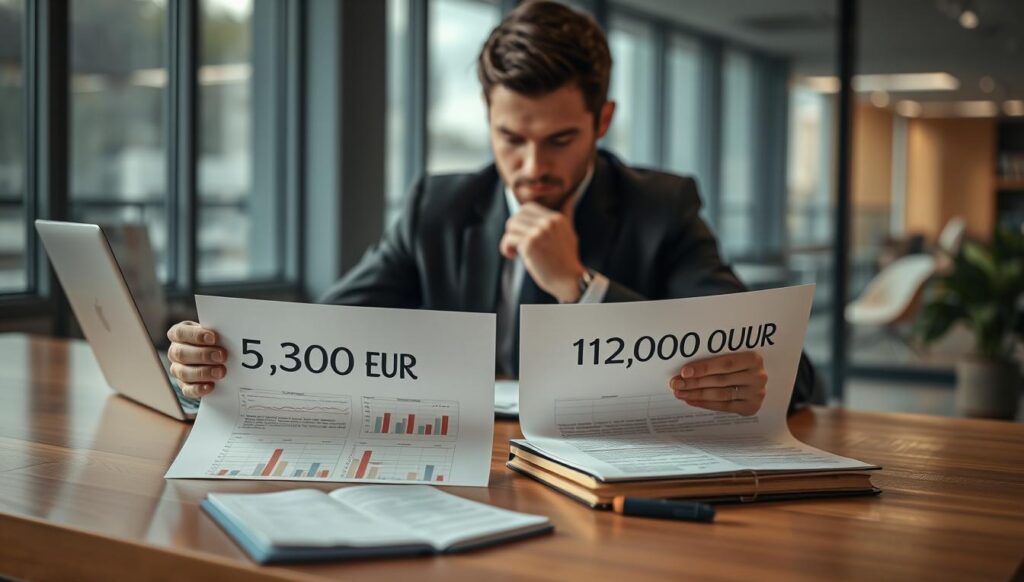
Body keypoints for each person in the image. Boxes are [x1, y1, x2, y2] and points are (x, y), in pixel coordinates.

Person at [165, 0, 815, 416]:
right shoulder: (437, 208)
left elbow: (792, 374)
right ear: (488, 118)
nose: (532, 167)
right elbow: (324, 333)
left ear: (602, 121)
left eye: (559, 140)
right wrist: (219, 357)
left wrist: (579, 286)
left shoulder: (661, 208)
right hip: (467, 470)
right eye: (511, 138)